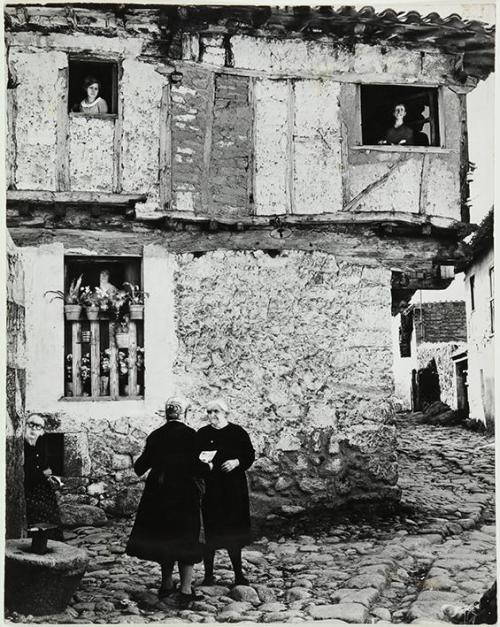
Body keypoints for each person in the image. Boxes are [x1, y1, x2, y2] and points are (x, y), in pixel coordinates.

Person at [126, 397, 209, 609]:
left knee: (164, 537)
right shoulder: (192, 436)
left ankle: (166, 585)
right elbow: (197, 467)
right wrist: (207, 467)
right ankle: (186, 590)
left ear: (166, 414)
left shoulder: (155, 435)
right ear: (185, 414)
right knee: (187, 538)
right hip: (184, 494)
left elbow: (140, 467)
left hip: (159, 495)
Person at [197, 398, 255, 587]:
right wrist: (204, 465)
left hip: (232, 490)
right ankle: (208, 576)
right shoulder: (203, 434)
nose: (212, 416)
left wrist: (236, 462)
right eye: (209, 412)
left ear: (225, 414)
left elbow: (249, 454)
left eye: (216, 412)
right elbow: (194, 457)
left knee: (233, 531)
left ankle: (238, 574)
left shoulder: (237, 432)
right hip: (211, 489)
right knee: (210, 531)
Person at [24, 413, 64, 541]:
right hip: (28, 488)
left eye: (38, 427)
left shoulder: (40, 444)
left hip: (42, 486)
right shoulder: (21, 445)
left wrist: (50, 476)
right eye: (31, 425)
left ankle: (52, 541)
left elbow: (44, 465)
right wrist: (43, 474)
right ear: (25, 426)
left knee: (50, 511)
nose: (33, 429)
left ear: (42, 431)